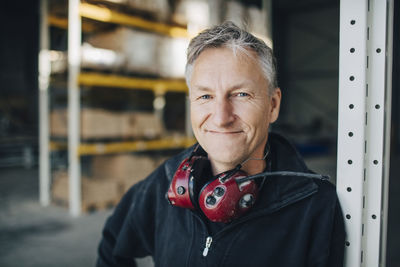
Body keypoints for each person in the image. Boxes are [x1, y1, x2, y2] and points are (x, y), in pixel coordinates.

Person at [97, 21, 345, 267]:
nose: (221, 117)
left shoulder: (316, 207)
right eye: (205, 96)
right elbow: (112, 243)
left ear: (273, 105)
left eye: (241, 94)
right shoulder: (165, 180)